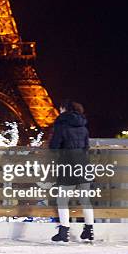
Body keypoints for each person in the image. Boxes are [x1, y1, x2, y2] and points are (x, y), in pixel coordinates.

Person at [49, 100, 94, 243]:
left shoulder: (61, 125)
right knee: (85, 199)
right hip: (84, 164)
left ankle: (64, 231)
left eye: (61, 108)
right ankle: (89, 230)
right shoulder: (84, 127)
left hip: (68, 164)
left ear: (65, 109)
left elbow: (54, 146)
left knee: (62, 199)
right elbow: (87, 147)